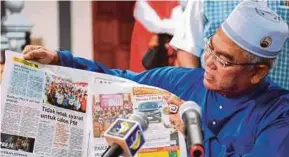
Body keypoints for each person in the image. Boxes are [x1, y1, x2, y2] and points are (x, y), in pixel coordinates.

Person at [22, 1, 289, 156]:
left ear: (257, 73)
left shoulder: (280, 114)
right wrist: (61, 60)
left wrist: (194, 135)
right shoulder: (180, 81)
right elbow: (118, 80)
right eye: (210, 48)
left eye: (224, 60)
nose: (208, 61)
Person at [170, 0, 289, 90]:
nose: (210, 62)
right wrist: (198, 92)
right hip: (214, 101)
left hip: (280, 105)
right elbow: (188, 47)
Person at [130, 0, 184, 72]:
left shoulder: (174, 3)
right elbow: (156, 25)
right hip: (146, 51)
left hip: (165, 53)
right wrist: (180, 27)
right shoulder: (142, 3)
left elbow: (179, 24)